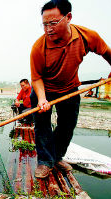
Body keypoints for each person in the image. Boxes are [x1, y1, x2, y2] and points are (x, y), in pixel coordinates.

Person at [30, 0, 111, 178]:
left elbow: (107, 52)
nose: (48, 28)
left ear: (68, 17)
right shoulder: (39, 47)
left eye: (53, 23)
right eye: (44, 24)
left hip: (70, 88)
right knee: (42, 126)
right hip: (44, 89)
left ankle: (57, 157)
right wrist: (42, 99)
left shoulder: (87, 36)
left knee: (67, 125)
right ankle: (44, 162)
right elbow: (36, 78)